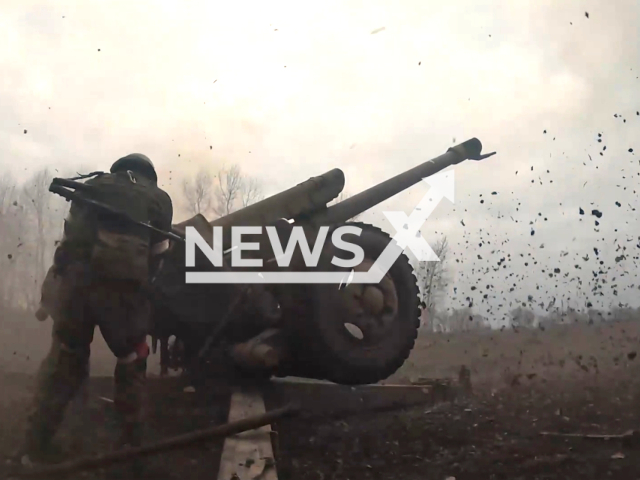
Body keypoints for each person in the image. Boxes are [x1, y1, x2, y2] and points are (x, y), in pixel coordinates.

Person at [20, 153, 173, 467]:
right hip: (123, 294)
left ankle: (34, 449)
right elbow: (158, 254)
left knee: (65, 359)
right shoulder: (158, 198)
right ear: (149, 175)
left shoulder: (93, 185)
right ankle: (131, 455)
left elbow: (69, 242)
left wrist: (57, 288)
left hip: (76, 288)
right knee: (132, 362)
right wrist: (144, 292)